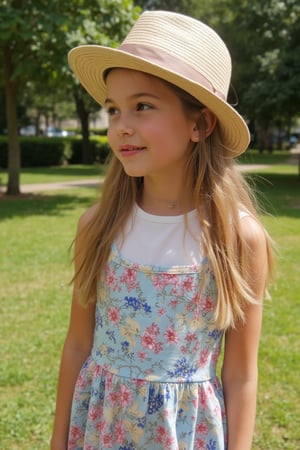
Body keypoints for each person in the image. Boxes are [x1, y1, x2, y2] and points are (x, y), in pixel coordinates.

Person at [51, 10, 274, 450]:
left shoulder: (237, 240)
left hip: (185, 434)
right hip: (101, 428)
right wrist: (59, 441)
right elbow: (78, 344)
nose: (121, 126)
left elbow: (242, 372)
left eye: (143, 106)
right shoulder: (97, 226)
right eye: (113, 110)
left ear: (200, 124)